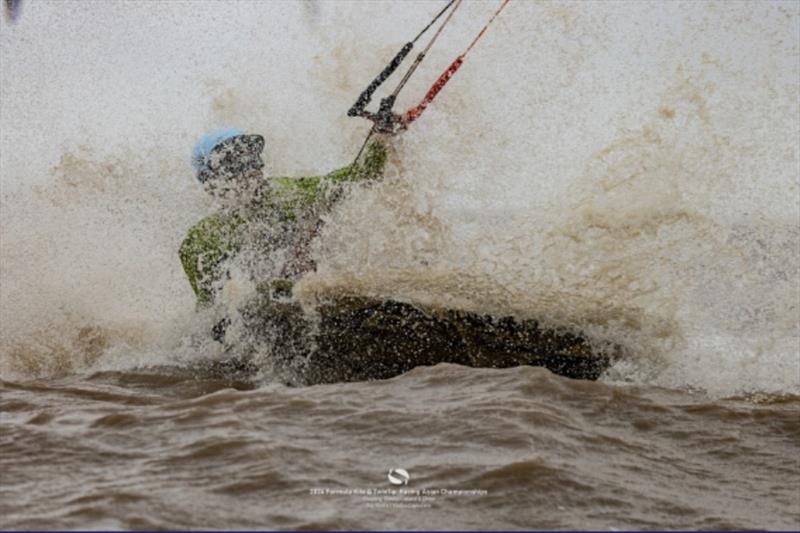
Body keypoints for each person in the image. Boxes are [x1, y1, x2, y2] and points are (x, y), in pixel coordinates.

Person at [178, 128, 388, 324]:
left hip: (309, 298)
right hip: (257, 320)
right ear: (210, 182)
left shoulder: (290, 193)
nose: (249, 169)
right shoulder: (200, 240)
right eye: (232, 162)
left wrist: (381, 137)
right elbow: (209, 312)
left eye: (251, 157)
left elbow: (361, 173)